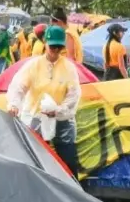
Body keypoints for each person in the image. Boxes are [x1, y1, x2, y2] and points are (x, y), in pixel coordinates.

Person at [7, 26, 82, 178]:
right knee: (39, 158)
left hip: (62, 118)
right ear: (45, 43)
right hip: (38, 117)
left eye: (59, 47)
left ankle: (73, 191)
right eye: (52, 46)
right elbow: (19, 87)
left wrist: (60, 110)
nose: (55, 50)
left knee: (68, 159)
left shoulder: (68, 67)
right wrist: (14, 104)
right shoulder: (33, 66)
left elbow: (73, 95)